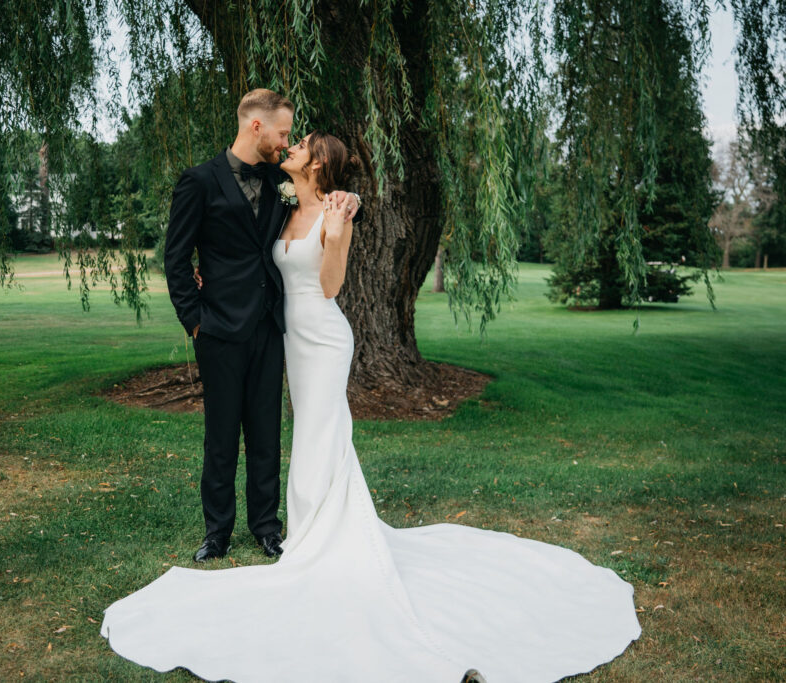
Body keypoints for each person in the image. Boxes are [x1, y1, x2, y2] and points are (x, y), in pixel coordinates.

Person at [101, 130, 641, 682]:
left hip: (325, 338)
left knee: (321, 430)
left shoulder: (336, 216)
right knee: (312, 431)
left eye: (301, 144)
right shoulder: (284, 199)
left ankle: (318, 540)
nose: (290, 148)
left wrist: (339, 231)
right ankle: (305, 531)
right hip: (286, 336)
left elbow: (331, 287)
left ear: (317, 166)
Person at [162, 89, 359, 563]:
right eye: (284, 132)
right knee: (221, 435)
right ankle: (217, 532)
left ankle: (267, 527)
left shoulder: (280, 180)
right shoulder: (199, 181)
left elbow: (323, 199)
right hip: (218, 329)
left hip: (272, 327)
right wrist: (195, 322)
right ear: (257, 127)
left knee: (267, 433)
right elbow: (175, 258)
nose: (285, 141)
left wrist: (350, 197)